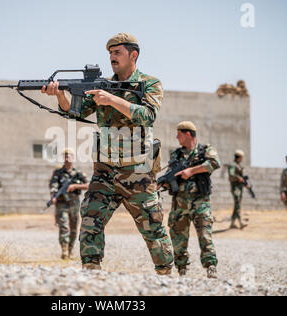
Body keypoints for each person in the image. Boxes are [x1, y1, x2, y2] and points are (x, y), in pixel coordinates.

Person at [41, 33, 174, 275]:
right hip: (104, 171)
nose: (112, 57)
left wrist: (111, 99)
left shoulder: (150, 83)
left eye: (117, 52)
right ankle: (91, 275)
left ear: (133, 55)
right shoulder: (100, 85)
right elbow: (76, 113)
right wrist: (60, 95)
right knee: (90, 219)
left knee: (153, 228)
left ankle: (166, 277)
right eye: (110, 53)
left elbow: (147, 116)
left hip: (138, 173)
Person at [164, 121, 221, 279]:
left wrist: (191, 171)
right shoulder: (176, 154)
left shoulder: (205, 150)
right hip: (180, 204)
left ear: (188, 134)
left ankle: (211, 266)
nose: (176, 137)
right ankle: (182, 269)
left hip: (200, 203)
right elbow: (171, 173)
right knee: (178, 238)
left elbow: (215, 163)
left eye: (179, 134)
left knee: (205, 235)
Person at [49, 149, 89, 259]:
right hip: (62, 203)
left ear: (73, 158)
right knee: (63, 227)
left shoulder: (78, 173)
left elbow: (88, 185)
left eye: (69, 157)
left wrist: (75, 186)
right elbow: (53, 185)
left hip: (74, 203)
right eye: (65, 157)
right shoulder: (58, 173)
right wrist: (53, 196)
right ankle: (64, 250)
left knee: (74, 228)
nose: (67, 159)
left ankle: (71, 249)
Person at [228, 150, 249, 230]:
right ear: (239, 157)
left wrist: (246, 184)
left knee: (237, 205)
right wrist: (239, 178)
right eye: (241, 157)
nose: (242, 159)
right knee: (238, 205)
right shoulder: (233, 165)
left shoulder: (239, 165)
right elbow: (231, 174)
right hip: (235, 188)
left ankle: (232, 223)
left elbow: (242, 178)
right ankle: (240, 222)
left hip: (239, 188)